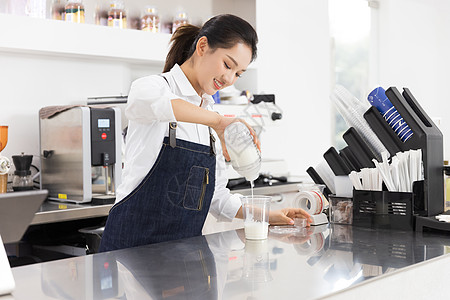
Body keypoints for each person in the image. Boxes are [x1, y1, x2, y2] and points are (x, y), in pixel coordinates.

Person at [99, 14, 312, 252]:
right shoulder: (151, 88)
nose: (229, 79)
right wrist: (219, 123)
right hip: (132, 249)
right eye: (227, 65)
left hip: (185, 254)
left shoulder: (210, 116)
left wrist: (268, 215)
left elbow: (217, 197)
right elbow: (165, 106)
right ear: (202, 46)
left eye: (238, 73)